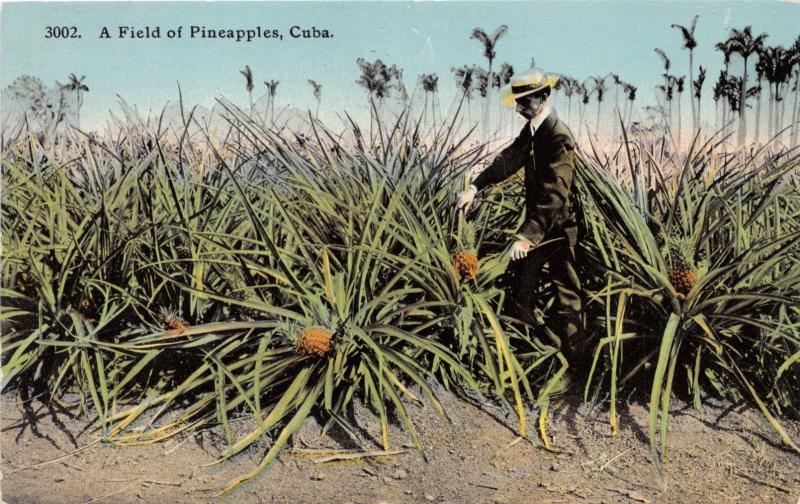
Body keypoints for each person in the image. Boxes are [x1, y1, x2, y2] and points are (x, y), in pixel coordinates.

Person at [456, 69, 585, 362]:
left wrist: (526, 237)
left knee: (567, 297)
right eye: (517, 102)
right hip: (538, 229)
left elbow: (556, 195)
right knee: (522, 287)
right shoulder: (532, 131)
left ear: (543, 97)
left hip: (560, 230)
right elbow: (508, 161)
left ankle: (578, 366)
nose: (518, 109)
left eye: (525, 102)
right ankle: (530, 356)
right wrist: (475, 187)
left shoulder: (558, 135)